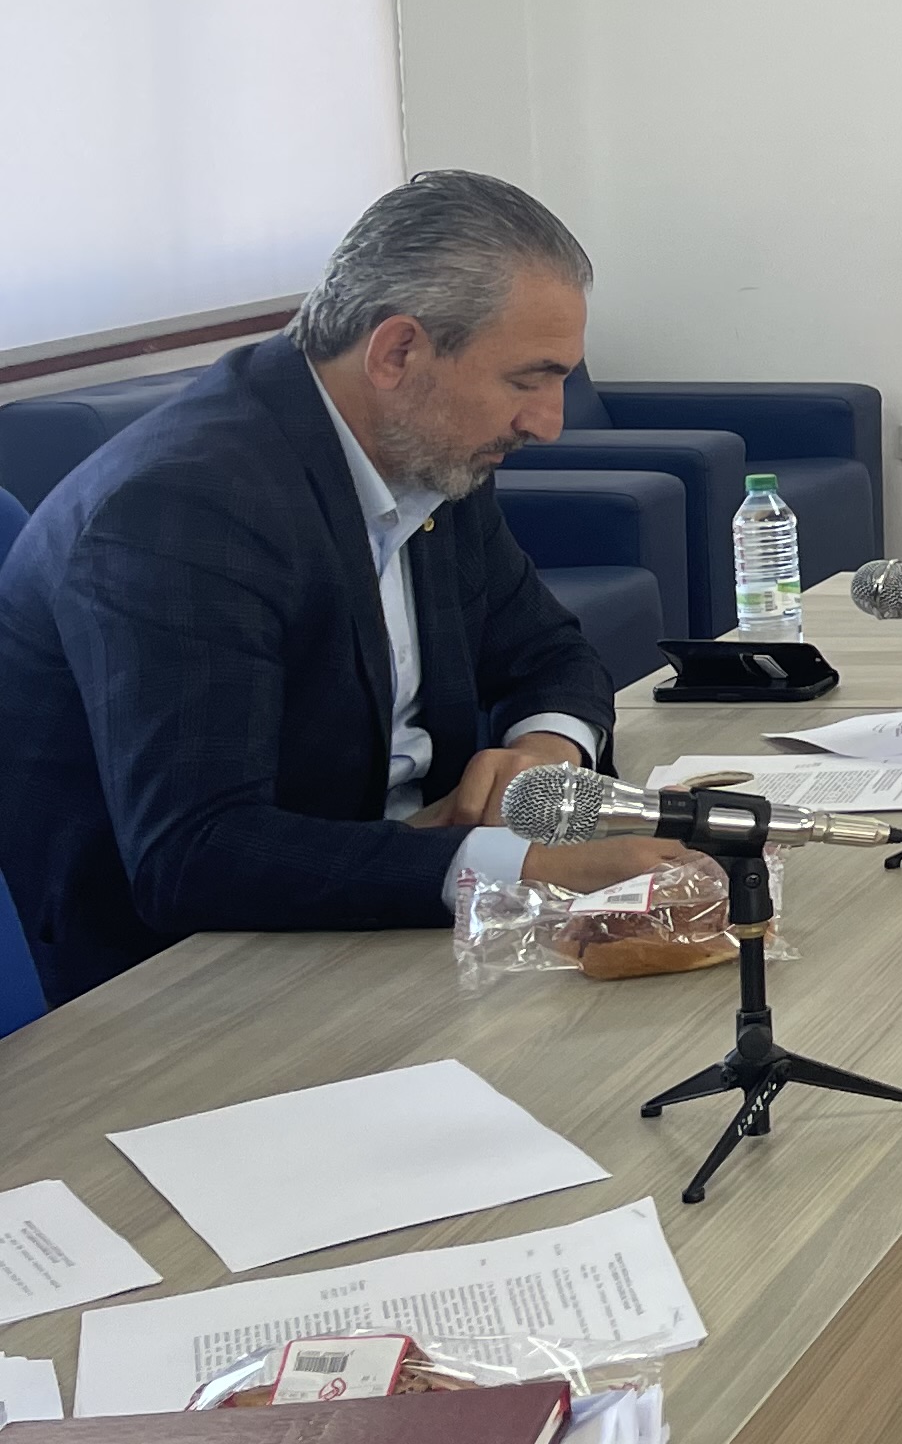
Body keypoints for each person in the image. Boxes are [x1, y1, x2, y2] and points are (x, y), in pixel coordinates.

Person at [0, 172, 700, 1010]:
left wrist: (545, 757)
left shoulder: (430, 453)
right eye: (527, 380)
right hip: (190, 984)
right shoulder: (182, 507)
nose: (547, 422)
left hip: (392, 909)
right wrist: (530, 865)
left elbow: (549, 650)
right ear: (397, 352)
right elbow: (195, 855)